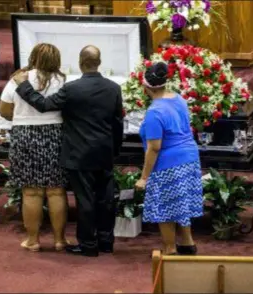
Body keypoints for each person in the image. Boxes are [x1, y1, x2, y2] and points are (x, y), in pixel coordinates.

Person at [13, 45, 124, 257]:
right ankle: (106, 241)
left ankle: (88, 245)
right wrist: (115, 149)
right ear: (99, 63)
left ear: (81, 63)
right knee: (105, 199)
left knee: (85, 200)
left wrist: (24, 86)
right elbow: (118, 122)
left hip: (79, 153)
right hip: (104, 151)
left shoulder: (72, 89)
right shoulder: (113, 88)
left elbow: (43, 105)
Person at [0, 43, 68, 252]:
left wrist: (21, 117)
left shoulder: (18, 79)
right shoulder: (63, 81)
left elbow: (3, 110)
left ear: (33, 58)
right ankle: (59, 240)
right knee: (56, 190)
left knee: (31, 192)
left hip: (25, 135)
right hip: (55, 134)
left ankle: (33, 240)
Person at [135, 62, 203, 256]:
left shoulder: (154, 112)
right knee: (181, 202)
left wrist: (144, 178)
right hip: (190, 158)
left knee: (165, 207)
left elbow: (154, 148)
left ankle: (170, 249)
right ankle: (188, 243)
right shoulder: (179, 99)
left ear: (146, 88)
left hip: (168, 163)